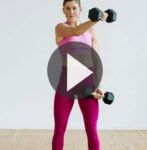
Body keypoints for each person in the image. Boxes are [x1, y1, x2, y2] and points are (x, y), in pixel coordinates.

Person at [52, 0, 108, 149]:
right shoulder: (60, 28)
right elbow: (75, 32)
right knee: (60, 129)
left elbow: (96, 59)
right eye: (68, 8)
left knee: (91, 129)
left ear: (80, 9)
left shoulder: (91, 32)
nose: (71, 12)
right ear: (63, 10)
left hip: (87, 82)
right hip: (66, 82)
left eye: (74, 8)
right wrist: (99, 17)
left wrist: (98, 85)